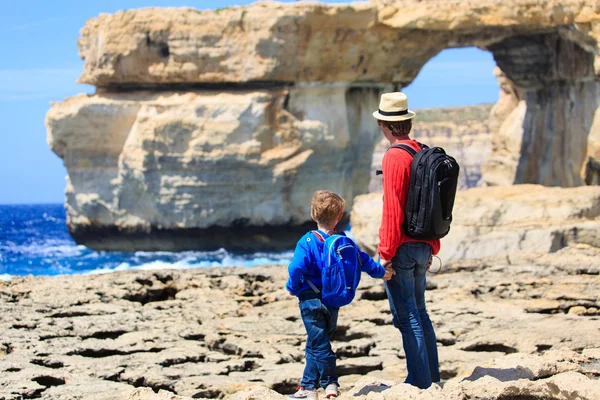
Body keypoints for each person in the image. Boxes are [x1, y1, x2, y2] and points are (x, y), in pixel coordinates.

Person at [286, 190, 394, 400]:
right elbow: (363, 260)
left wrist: (292, 287)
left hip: (310, 300)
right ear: (339, 216)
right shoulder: (344, 241)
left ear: (312, 214)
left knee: (320, 344)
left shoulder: (307, 241)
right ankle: (307, 387)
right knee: (316, 342)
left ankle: (330, 384)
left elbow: (296, 268)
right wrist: (383, 273)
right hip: (333, 300)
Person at [372, 92, 441, 389]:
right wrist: (432, 245)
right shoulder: (421, 152)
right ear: (407, 123)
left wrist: (385, 254)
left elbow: (393, 209)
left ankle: (419, 383)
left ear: (384, 126)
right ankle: (432, 378)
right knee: (421, 313)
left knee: (406, 316)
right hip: (426, 245)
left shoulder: (394, 156)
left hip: (402, 249)